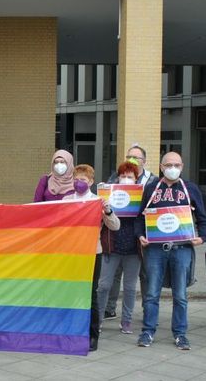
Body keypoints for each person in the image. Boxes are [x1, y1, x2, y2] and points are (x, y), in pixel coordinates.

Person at [135, 152, 206, 350]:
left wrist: (202, 237)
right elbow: (140, 216)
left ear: (182, 166)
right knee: (151, 293)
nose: (172, 168)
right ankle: (148, 331)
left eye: (176, 164)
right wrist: (140, 234)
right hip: (155, 249)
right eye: (168, 164)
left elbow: (203, 218)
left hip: (182, 248)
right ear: (161, 166)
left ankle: (180, 334)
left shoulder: (191, 189)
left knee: (180, 294)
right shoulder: (151, 188)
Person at [63, 164, 119, 351]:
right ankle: (71, 330)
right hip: (71, 253)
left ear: (91, 182)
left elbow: (115, 226)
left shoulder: (97, 201)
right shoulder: (66, 200)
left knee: (91, 295)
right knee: (70, 293)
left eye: (83, 180)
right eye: (76, 179)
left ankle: (92, 335)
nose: (79, 183)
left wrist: (108, 211)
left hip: (92, 253)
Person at [103, 145, 155, 321]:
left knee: (142, 278)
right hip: (115, 238)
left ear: (144, 161)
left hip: (140, 239)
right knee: (111, 279)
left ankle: (145, 311)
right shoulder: (114, 179)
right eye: (129, 156)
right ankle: (109, 309)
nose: (132, 160)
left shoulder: (152, 181)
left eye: (136, 157)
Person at [97, 161, 143, 336]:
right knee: (103, 285)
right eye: (123, 176)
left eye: (130, 177)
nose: (126, 179)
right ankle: (98, 319)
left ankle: (127, 321)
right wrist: (103, 199)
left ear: (136, 179)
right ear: (117, 178)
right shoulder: (110, 194)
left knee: (130, 287)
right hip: (112, 245)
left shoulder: (141, 196)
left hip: (133, 247)